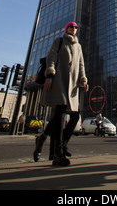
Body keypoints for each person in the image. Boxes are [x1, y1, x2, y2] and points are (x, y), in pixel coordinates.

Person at [34, 22, 88, 166]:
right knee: (60, 113)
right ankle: (58, 153)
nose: (74, 29)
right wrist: (50, 74)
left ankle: (50, 140)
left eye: (76, 27)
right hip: (59, 81)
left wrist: (83, 80)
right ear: (67, 29)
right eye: (71, 26)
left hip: (72, 85)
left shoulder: (79, 46)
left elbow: (81, 64)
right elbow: (51, 57)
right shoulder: (59, 41)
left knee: (74, 115)